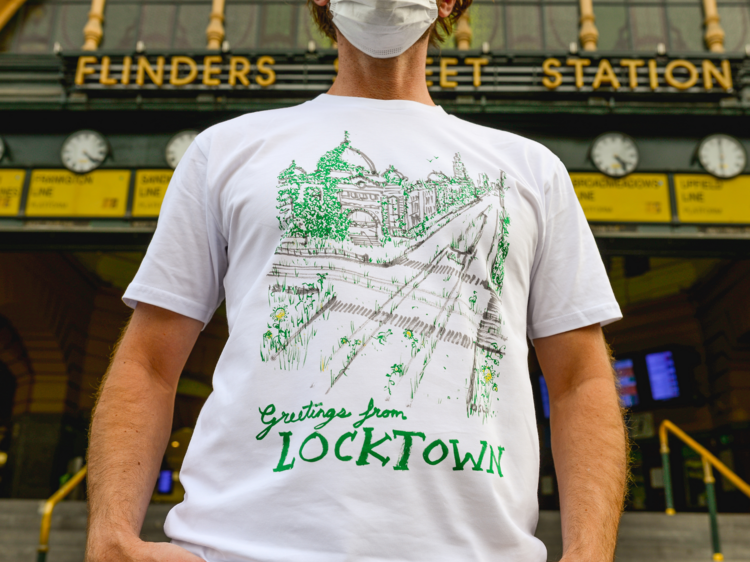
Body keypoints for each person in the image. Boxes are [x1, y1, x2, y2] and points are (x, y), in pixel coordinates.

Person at [85, 0, 628, 561]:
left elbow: (578, 379)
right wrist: (110, 537)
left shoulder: (531, 168)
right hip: (239, 548)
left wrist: (590, 553)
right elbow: (149, 361)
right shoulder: (226, 150)